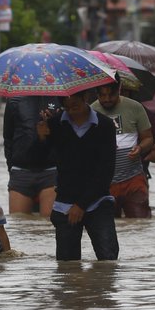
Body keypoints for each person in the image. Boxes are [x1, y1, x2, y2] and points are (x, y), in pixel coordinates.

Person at [35, 91, 119, 261]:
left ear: (85, 99)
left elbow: (106, 171)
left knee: (108, 260)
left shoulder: (105, 125)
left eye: (76, 106)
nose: (72, 112)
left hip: (98, 201)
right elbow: (39, 161)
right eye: (67, 107)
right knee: (67, 267)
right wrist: (41, 139)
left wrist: (81, 205)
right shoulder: (55, 124)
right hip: (65, 204)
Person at [91, 81, 155, 218]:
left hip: (134, 180)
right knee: (107, 227)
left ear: (119, 90)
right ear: (96, 94)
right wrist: (102, 148)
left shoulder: (135, 107)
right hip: (104, 184)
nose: (107, 99)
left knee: (140, 224)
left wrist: (140, 147)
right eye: (102, 95)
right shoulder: (91, 112)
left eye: (111, 95)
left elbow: (149, 138)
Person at [2, 96, 60, 216]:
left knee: (49, 225)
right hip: (20, 171)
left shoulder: (60, 98)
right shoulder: (14, 100)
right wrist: (11, 169)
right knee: (20, 226)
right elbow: (8, 138)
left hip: (51, 170)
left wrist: (53, 125)